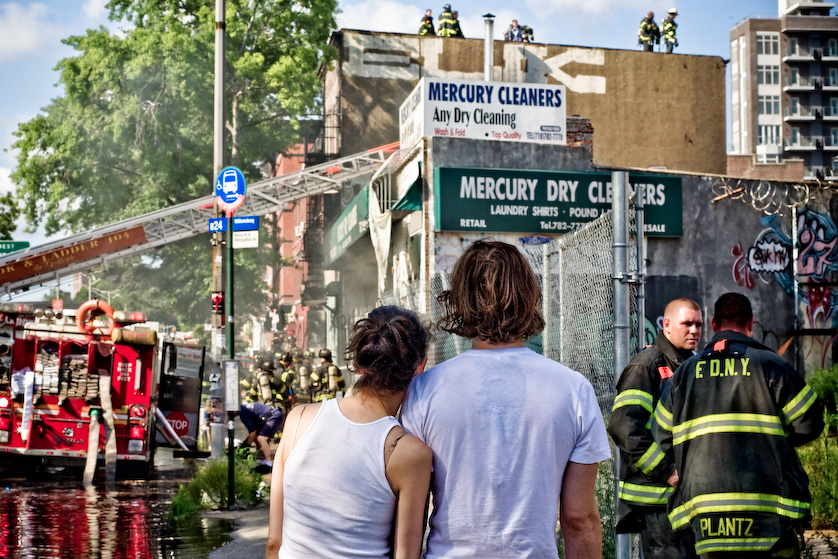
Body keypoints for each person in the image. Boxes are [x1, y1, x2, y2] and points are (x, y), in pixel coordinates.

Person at [400, 240, 612, 559]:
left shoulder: (423, 391)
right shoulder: (574, 390)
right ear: (529, 296)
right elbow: (579, 519)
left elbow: (409, 519)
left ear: (461, 298)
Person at [652, 293, 824, 558]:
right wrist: (775, 440)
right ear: (751, 323)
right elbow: (811, 423)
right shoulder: (771, 365)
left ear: (713, 324)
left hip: (706, 519)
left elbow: (661, 434)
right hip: (768, 516)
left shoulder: (684, 373)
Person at [266, 306, 432, 559]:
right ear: (420, 366)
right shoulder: (409, 453)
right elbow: (405, 555)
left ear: (360, 362)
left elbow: (273, 543)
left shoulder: (298, 419)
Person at [607, 298, 703, 559]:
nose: (694, 330)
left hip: (683, 496)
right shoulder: (646, 366)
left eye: (698, 325)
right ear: (668, 325)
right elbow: (623, 427)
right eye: (687, 324)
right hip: (659, 498)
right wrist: (667, 471)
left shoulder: (690, 366)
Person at [238, 401, 285, 469]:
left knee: (261, 438)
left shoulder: (243, 412)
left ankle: (269, 462)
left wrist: (246, 446)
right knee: (258, 437)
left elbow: (252, 432)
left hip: (274, 415)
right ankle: (263, 458)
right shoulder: (244, 408)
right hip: (273, 414)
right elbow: (255, 431)